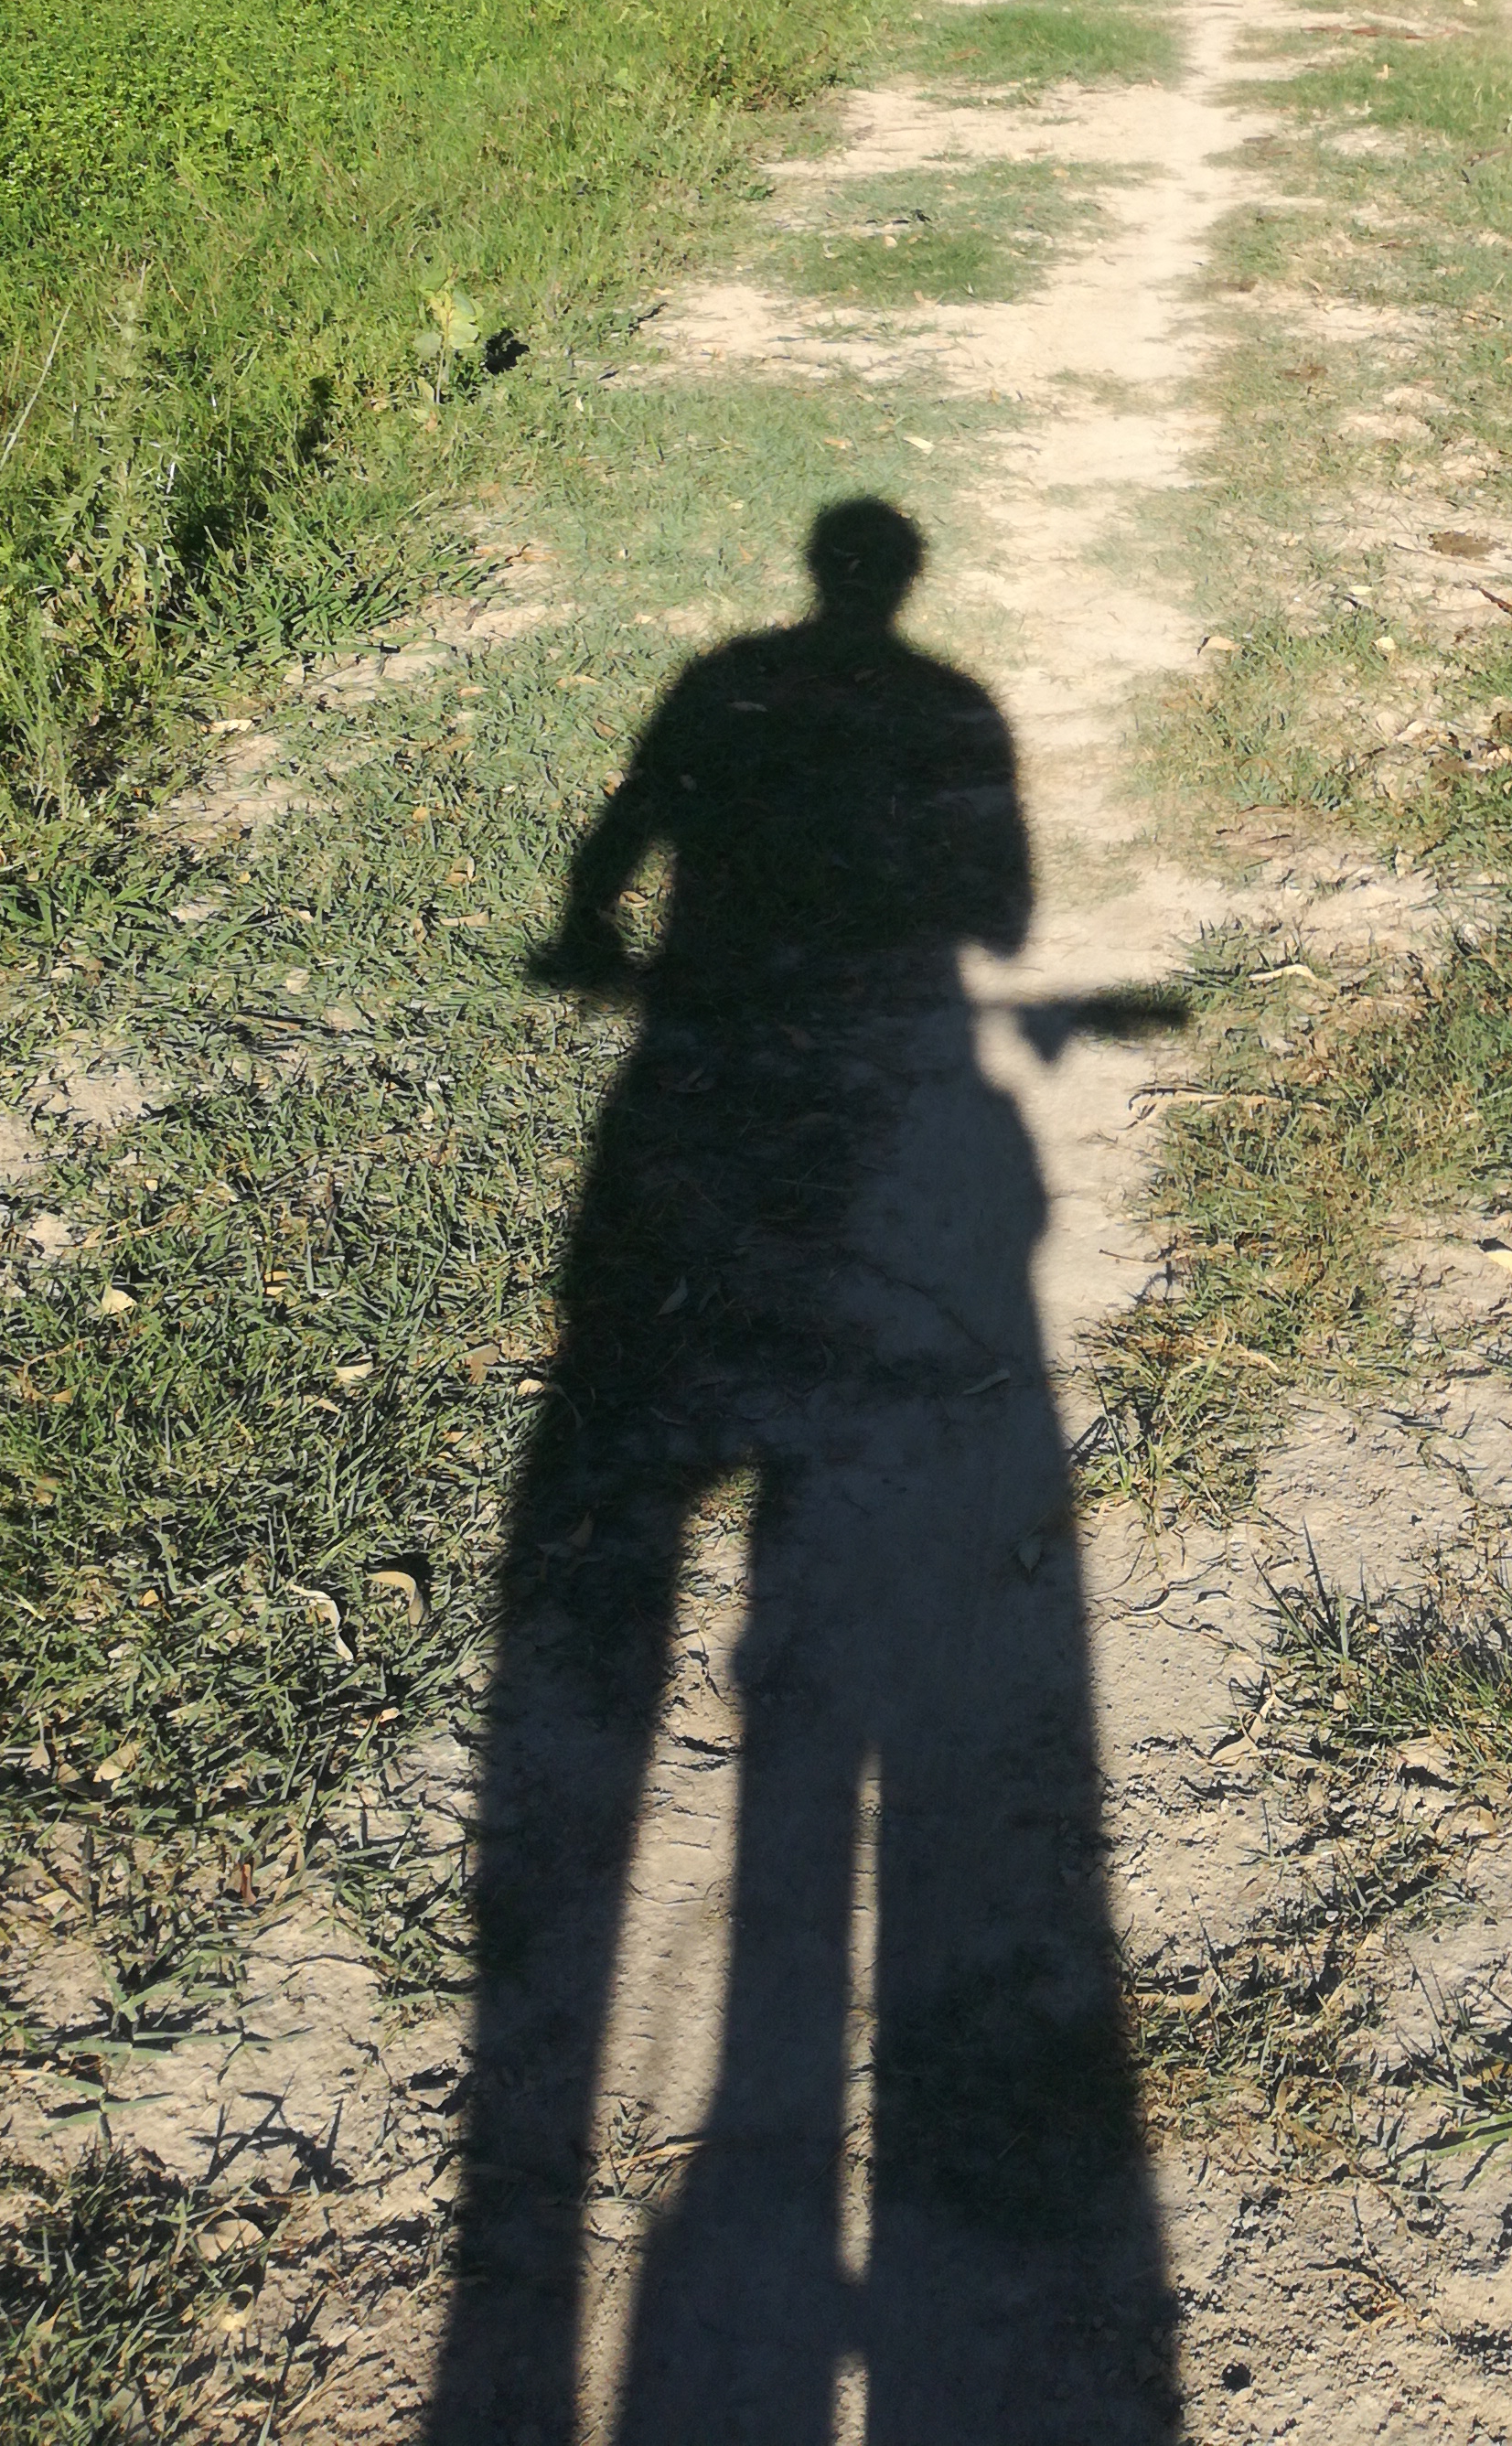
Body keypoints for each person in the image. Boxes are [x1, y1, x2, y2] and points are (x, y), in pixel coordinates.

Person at [427, 499, 1177, 2441]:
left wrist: (599, 930)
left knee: (674, 1375)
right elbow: (1004, 921)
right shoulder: (950, 698)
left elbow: (615, 834)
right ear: (904, 580)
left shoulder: (726, 680)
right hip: (891, 1071)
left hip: (687, 1089)